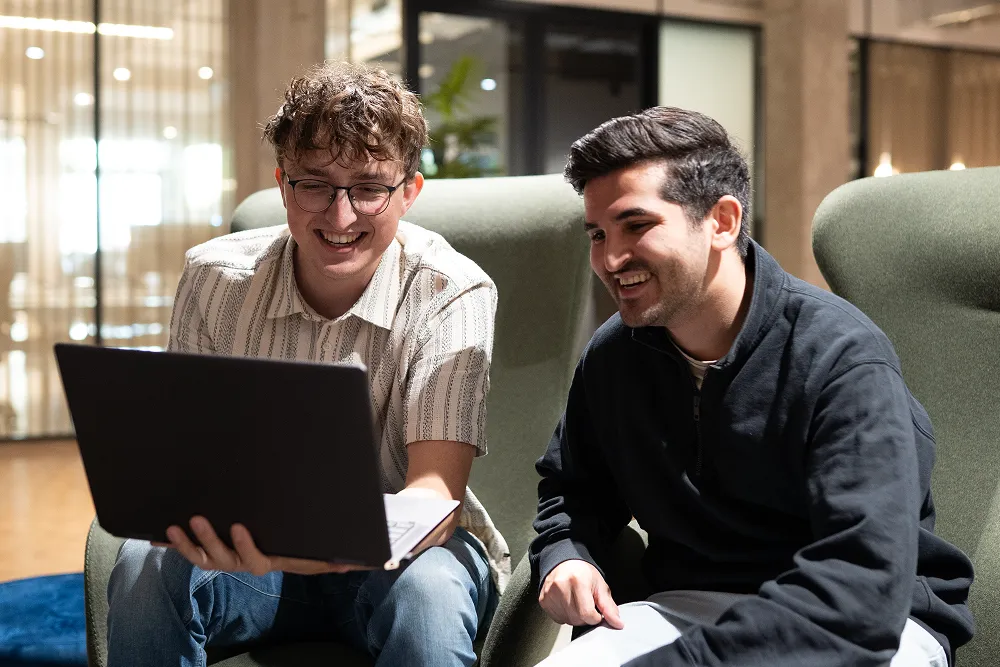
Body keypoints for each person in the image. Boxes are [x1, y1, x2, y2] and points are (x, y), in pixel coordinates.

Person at [529, 107, 974, 667]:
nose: (612, 259)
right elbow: (572, 487)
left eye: (637, 226)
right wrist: (568, 553)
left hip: (862, 623)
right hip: (685, 608)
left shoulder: (841, 357)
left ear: (722, 221)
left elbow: (861, 591)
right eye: (598, 233)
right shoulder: (615, 353)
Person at [105, 62, 509, 667]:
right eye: (315, 184)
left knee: (430, 596)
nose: (340, 216)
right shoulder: (216, 279)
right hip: (254, 560)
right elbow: (190, 463)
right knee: (145, 562)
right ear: (283, 184)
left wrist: (321, 546)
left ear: (409, 192)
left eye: (369, 188)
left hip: (405, 557)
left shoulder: (452, 292)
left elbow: (434, 492)